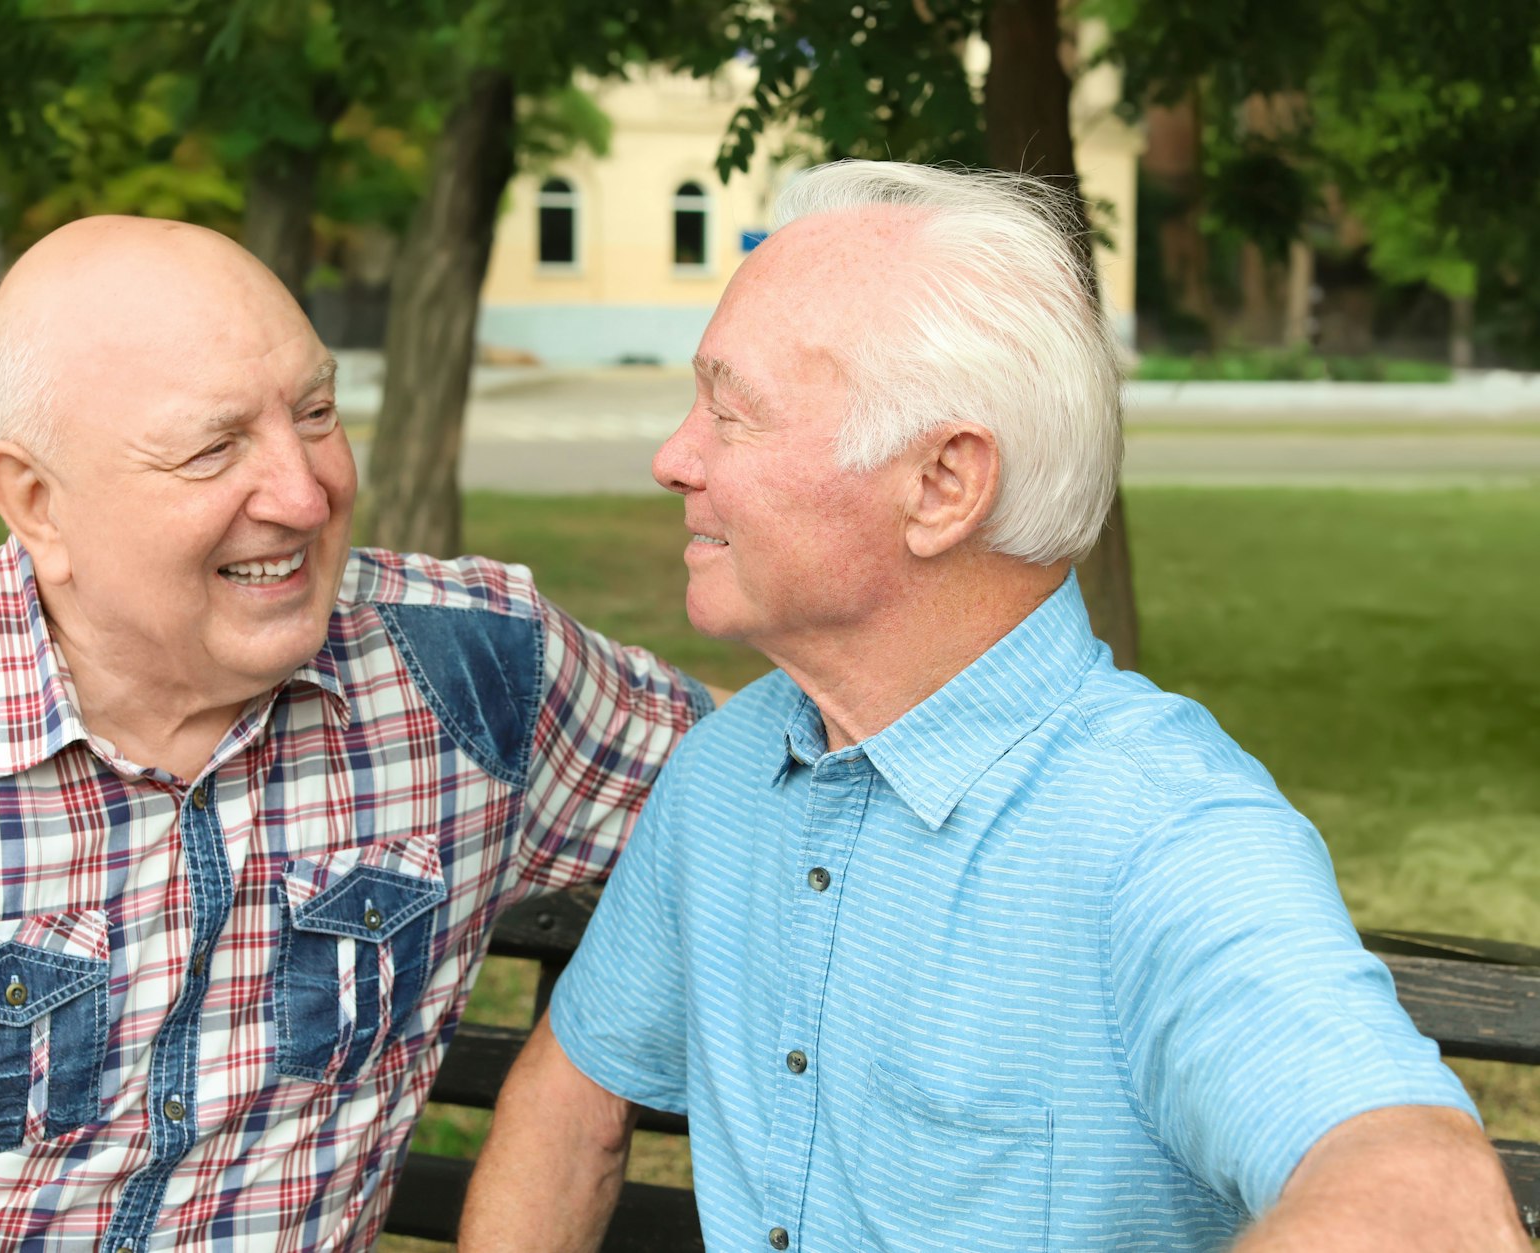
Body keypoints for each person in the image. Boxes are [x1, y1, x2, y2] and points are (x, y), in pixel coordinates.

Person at [460, 161, 1526, 1252]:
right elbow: (569, 1093)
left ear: (941, 485)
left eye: (732, 413)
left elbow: (1428, 1206)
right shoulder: (728, 766)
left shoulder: (1162, 832)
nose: (671, 456)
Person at [0, 217, 712, 1250]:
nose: (304, 494)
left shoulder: (472, 678)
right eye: (212, 448)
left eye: (313, 411)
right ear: (36, 501)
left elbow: (786, 772)